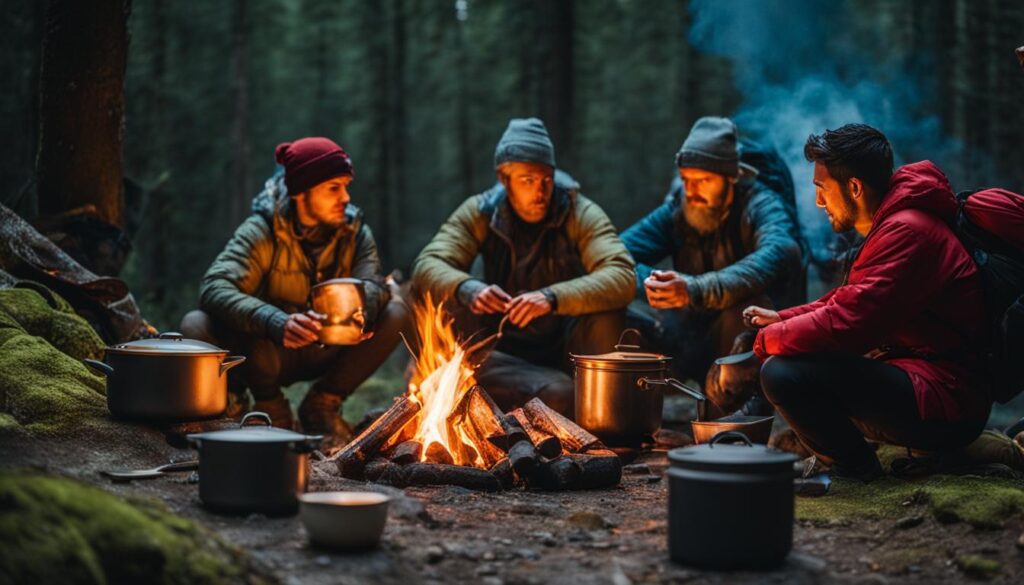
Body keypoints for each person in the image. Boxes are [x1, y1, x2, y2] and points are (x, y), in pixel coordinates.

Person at [747, 123, 990, 481]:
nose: (818, 202)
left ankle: (854, 469)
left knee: (782, 373)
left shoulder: (906, 231)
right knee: (793, 357)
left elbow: (848, 322)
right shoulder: (896, 224)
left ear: (855, 187)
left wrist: (765, 343)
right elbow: (849, 300)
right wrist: (782, 319)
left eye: (821, 188)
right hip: (932, 386)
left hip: (946, 399)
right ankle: (855, 461)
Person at [180, 137, 409, 445]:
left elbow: (373, 282)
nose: (345, 197)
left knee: (395, 312)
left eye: (345, 186)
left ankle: (322, 405)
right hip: (268, 352)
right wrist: (276, 321)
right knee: (196, 324)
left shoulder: (354, 231)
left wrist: (358, 314)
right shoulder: (264, 229)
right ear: (302, 193)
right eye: (333, 188)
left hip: (327, 346)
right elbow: (214, 287)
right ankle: (260, 404)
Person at [411, 118, 635, 416]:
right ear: (505, 179)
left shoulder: (578, 211)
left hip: (566, 347)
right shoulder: (482, 211)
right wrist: (469, 289)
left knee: (607, 316)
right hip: (502, 350)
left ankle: (596, 407)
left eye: (546, 179)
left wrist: (551, 297)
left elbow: (621, 276)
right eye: (528, 181)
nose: (540, 191)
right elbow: (428, 264)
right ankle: (458, 394)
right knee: (438, 297)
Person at [620, 116, 804, 414]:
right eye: (686, 179)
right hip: (686, 335)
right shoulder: (679, 209)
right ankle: (630, 415)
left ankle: (739, 411)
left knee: (747, 309)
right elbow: (615, 255)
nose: (691, 191)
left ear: (731, 177)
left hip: (739, 346)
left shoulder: (761, 205)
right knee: (616, 310)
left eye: (703, 180)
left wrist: (695, 289)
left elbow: (781, 250)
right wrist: (654, 283)